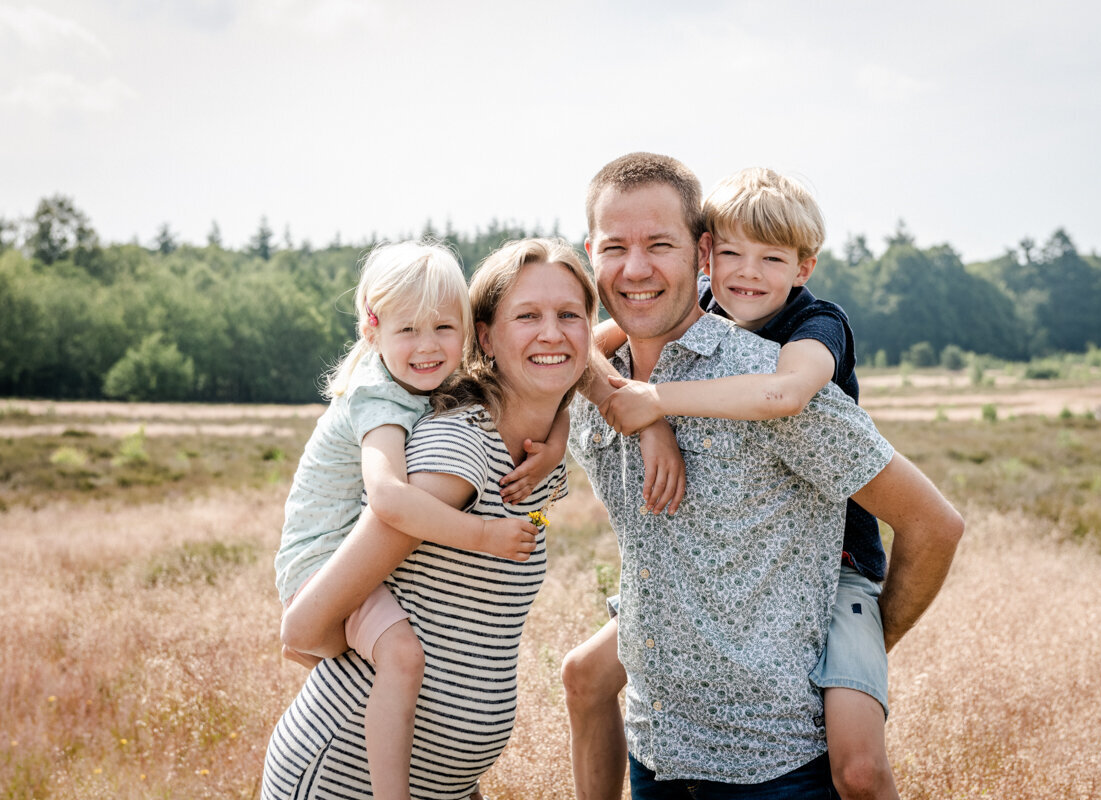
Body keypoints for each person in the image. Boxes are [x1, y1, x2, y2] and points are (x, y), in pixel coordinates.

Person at [563, 152, 964, 799]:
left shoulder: (801, 344)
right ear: (714, 256)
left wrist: (852, 653)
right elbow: (570, 339)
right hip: (660, 747)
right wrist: (646, 417)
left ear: (695, 252)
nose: (750, 274)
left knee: (860, 769)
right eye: (616, 247)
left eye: (659, 245)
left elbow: (931, 520)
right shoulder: (651, 350)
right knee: (583, 674)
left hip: (832, 593)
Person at [266, 238, 594, 800]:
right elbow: (301, 631)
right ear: (486, 336)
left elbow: (602, 346)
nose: (552, 332)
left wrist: (570, 434)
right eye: (528, 316)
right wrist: (484, 535)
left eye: (569, 315)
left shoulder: (533, 454)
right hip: (346, 782)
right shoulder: (453, 451)